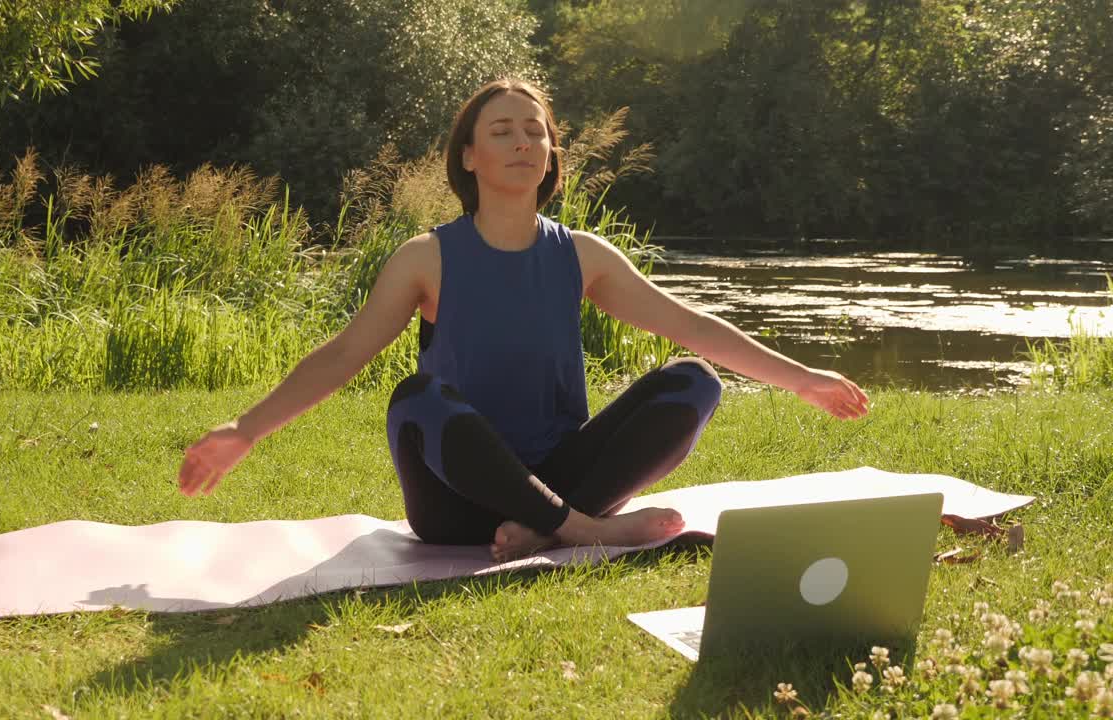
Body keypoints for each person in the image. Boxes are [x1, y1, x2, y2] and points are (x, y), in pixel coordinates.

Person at [177, 78, 870, 562]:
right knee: (416, 399)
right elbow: (342, 355)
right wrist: (246, 428)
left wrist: (802, 377)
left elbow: (688, 325)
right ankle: (584, 531)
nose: (521, 142)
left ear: (550, 155)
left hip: (561, 476)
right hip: (456, 502)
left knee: (693, 380)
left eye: (534, 131)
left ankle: (554, 528)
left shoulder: (583, 257)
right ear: (469, 156)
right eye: (501, 131)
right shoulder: (426, 258)